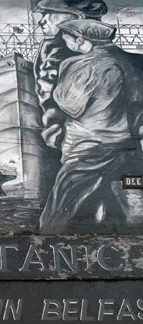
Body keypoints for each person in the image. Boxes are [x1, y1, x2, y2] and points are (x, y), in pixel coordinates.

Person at [39, 19, 143, 233]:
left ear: (80, 39)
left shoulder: (80, 64)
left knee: (61, 208)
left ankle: (48, 244)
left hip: (89, 147)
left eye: (66, 38)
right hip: (130, 147)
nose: (64, 42)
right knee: (132, 204)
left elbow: (70, 104)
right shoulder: (136, 61)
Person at [33, 0, 107, 149]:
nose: (42, 21)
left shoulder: (57, 53)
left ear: (77, 18)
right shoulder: (50, 49)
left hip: (77, 145)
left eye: (50, 14)